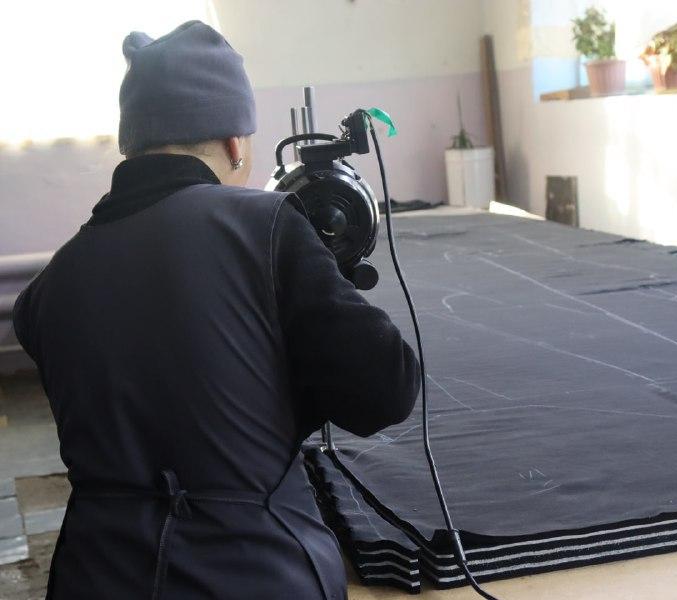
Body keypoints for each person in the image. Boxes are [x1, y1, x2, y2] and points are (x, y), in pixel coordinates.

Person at [12, 21, 420, 600]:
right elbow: (385, 393)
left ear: (133, 144)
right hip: (255, 572)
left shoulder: (48, 286)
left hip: (95, 573)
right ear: (235, 142)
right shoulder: (264, 227)